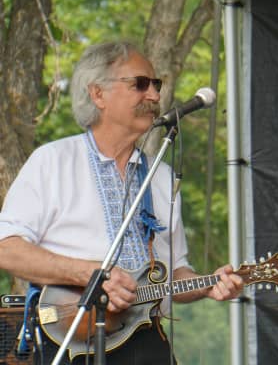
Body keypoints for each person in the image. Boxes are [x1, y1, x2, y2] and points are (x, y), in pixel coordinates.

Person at [0, 41, 243, 364]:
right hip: (72, 339)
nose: (155, 96)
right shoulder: (53, 161)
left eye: (156, 85)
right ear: (98, 94)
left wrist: (208, 284)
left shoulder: (162, 177)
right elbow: (7, 248)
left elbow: (174, 275)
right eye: (140, 84)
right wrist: (90, 274)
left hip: (146, 342)